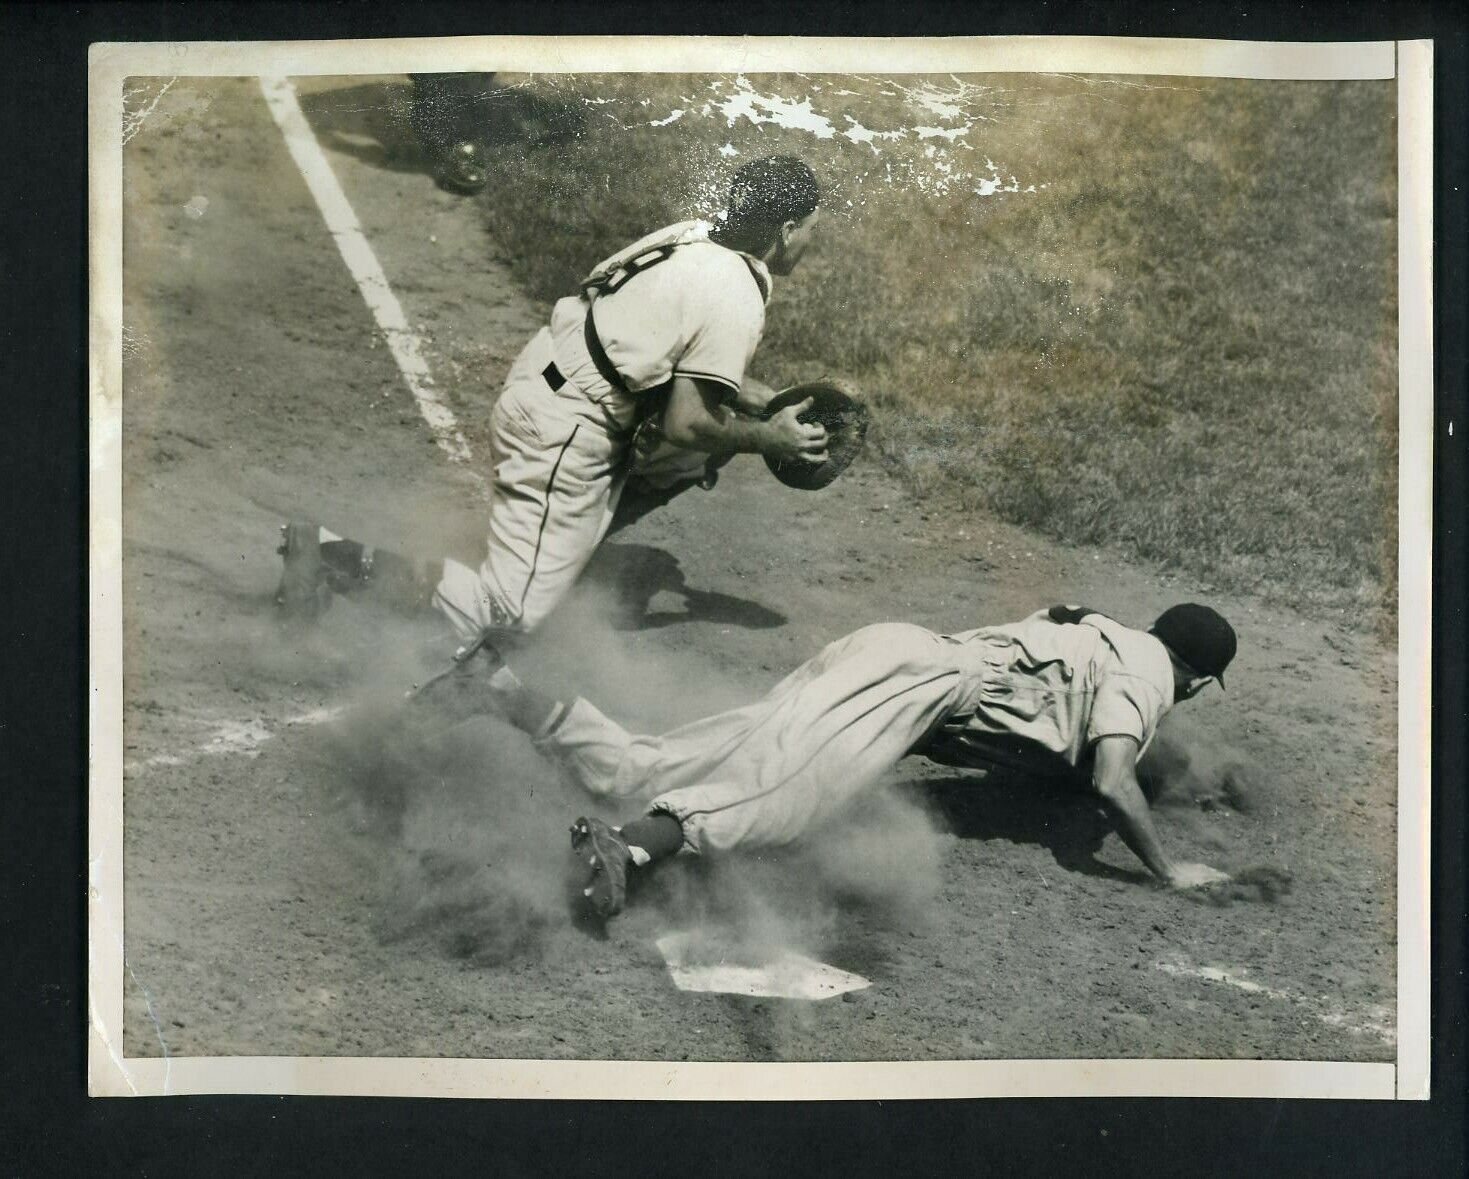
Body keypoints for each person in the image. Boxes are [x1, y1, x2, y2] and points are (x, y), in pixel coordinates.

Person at [276, 155, 830, 664]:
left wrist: (764, 402)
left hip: (543, 376)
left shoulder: (694, 237)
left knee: (688, 462)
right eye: (811, 228)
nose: (811, 240)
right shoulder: (735, 291)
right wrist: (769, 440)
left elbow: (661, 345)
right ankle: (328, 555)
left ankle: (561, 543)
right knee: (507, 617)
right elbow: (688, 422)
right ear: (784, 232)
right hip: (567, 432)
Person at [476, 602, 1239, 918]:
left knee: (688, 755)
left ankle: (504, 694)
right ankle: (628, 849)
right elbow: (1109, 779)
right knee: (778, 799)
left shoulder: (1107, 632)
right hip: (922, 686)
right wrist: (1168, 872)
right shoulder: (1147, 679)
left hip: (895, 651)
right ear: (1199, 679)